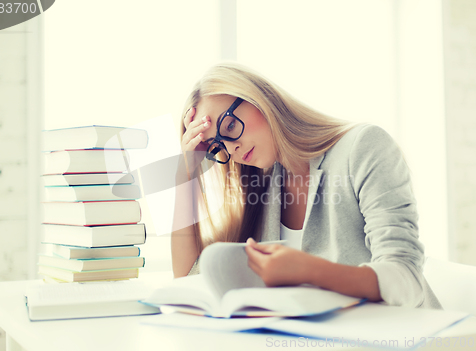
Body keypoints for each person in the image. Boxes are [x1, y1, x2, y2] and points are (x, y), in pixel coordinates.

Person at [171, 62, 441, 309]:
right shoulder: (261, 185)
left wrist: (310, 270)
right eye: (218, 146)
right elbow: (187, 277)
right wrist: (184, 174)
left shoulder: (363, 147)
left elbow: (406, 279)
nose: (233, 147)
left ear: (260, 100)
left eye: (230, 125)